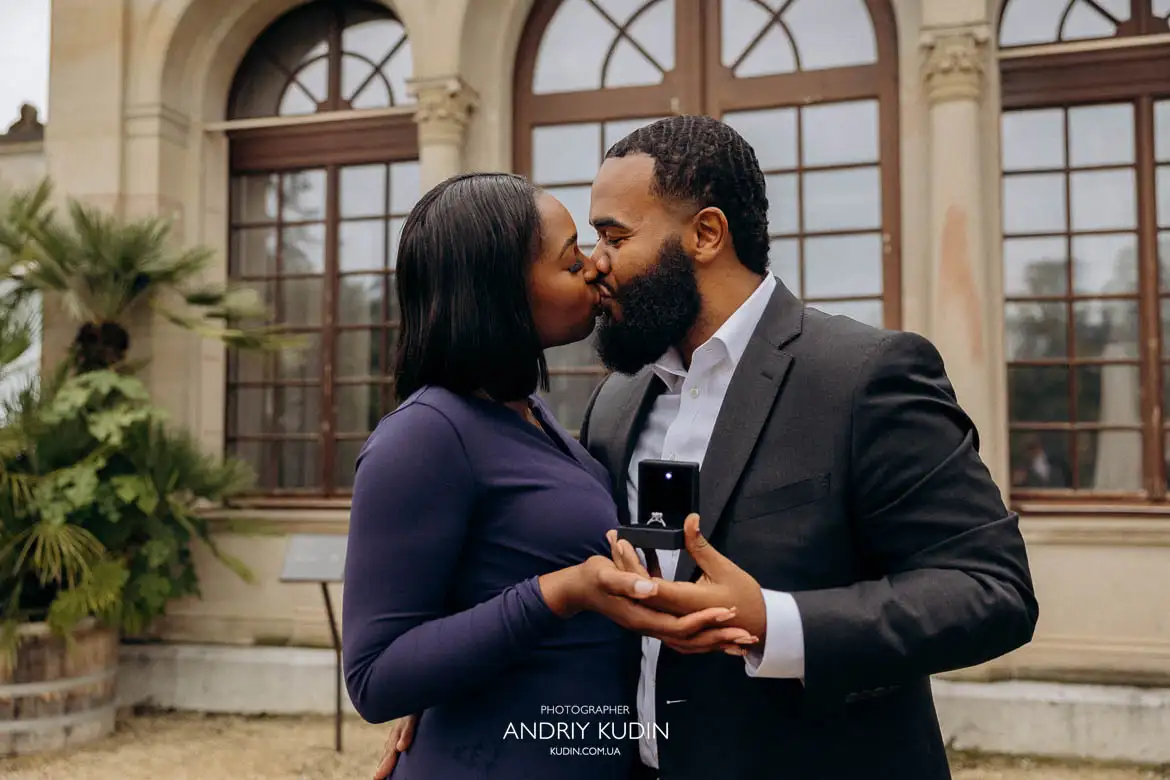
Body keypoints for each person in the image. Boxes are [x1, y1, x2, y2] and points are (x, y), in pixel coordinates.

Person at [376, 118, 1039, 780]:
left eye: (614, 236)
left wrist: (776, 622)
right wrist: (447, 694)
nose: (595, 263)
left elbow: (991, 589)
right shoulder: (617, 404)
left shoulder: (865, 374)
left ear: (706, 234)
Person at [342, 172, 755, 780]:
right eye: (570, 261)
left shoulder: (536, 416)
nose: (594, 268)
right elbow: (376, 677)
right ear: (501, 291)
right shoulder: (423, 436)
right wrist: (559, 593)